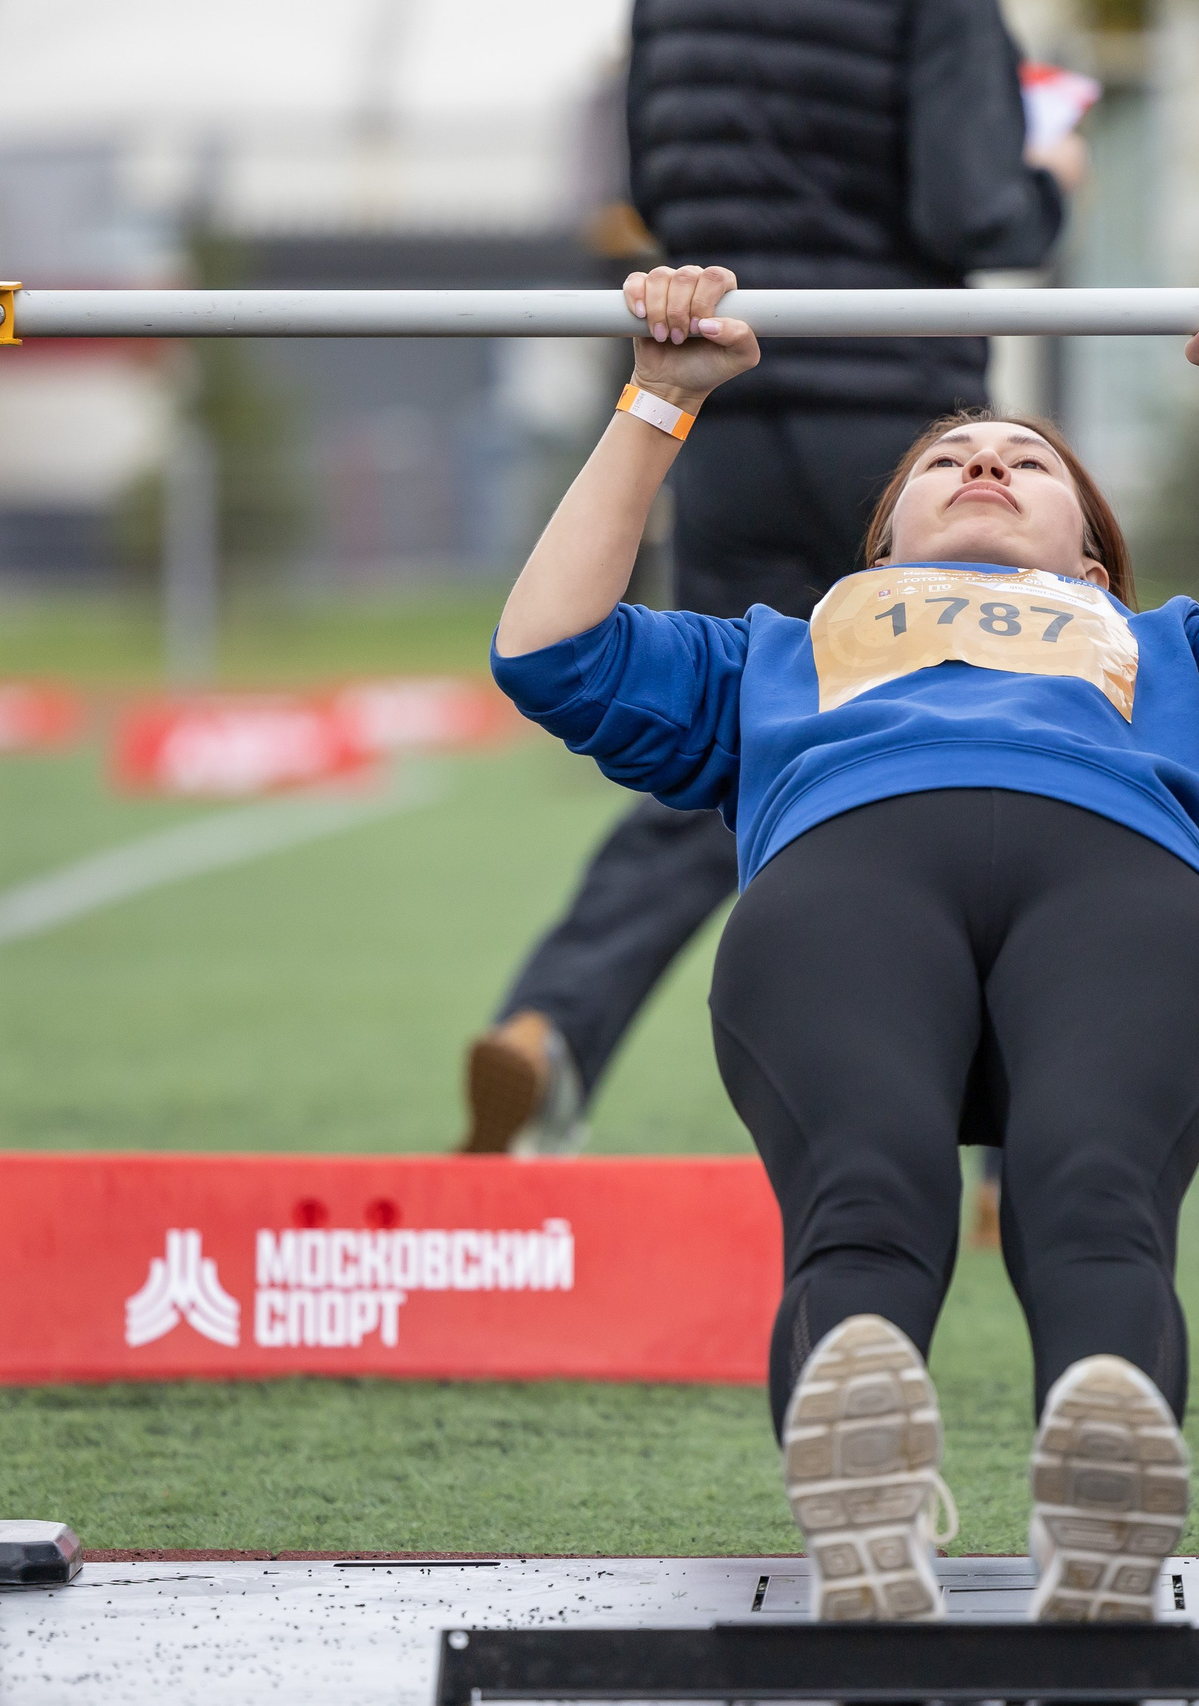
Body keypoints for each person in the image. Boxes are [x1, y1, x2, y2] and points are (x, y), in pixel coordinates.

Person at [489, 258, 1199, 1622]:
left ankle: (1104, 1504)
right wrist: (660, 398)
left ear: (1092, 555)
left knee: (1095, 1203)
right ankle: (865, 1515)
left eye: (1024, 458)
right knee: (868, 1201)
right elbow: (547, 649)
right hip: (850, 892)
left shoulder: (1167, 647)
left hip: (1117, 899)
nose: (986, 461)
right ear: (880, 548)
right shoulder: (788, 645)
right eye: (946, 458)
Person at [460, 0, 1087, 1154]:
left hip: (733, 412)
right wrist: (1048, 171)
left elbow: (653, 185)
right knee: (979, 739)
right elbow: (972, 207)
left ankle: (554, 1023)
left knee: (721, 747)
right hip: (903, 425)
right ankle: (1012, 1129)